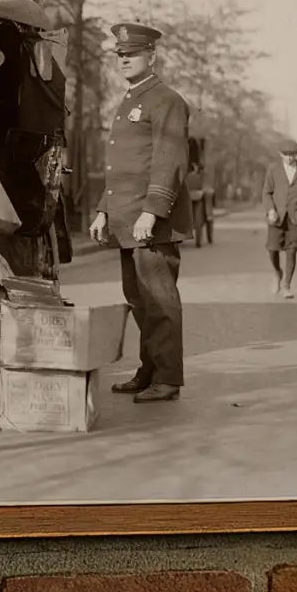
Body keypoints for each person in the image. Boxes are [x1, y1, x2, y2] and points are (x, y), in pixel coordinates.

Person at [89, 20, 190, 404]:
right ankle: (149, 371)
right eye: (120, 55)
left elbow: (170, 161)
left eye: (132, 54)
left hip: (151, 222)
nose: (124, 60)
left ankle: (167, 378)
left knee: (160, 302)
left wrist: (152, 211)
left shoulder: (166, 100)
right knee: (139, 300)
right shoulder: (130, 101)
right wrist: (103, 210)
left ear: (152, 55)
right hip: (128, 219)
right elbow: (121, 167)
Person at [259, 137, 297, 297]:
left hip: (296, 217)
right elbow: (266, 192)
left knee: (292, 250)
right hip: (277, 217)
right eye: (286, 154)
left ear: (296, 154)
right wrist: (270, 210)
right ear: (280, 154)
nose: (289, 158)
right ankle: (277, 273)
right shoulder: (273, 170)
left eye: (292, 154)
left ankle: (287, 285)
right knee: (272, 249)